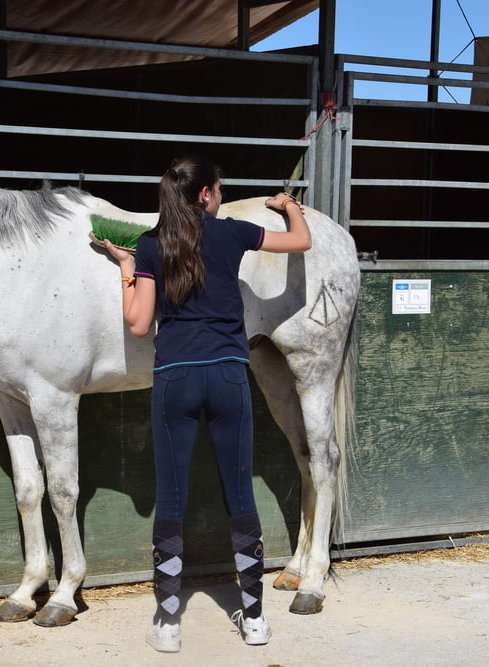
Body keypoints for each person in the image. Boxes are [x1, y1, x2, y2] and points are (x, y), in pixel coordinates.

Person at [103, 155, 311, 653]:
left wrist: (128, 270)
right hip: (227, 376)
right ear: (205, 196)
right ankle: (255, 618)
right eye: (219, 189)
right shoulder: (231, 233)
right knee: (239, 492)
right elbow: (300, 241)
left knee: (171, 496)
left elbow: (137, 325)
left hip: (174, 378)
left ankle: (169, 622)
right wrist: (288, 205)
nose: (220, 196)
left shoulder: (151, 246)